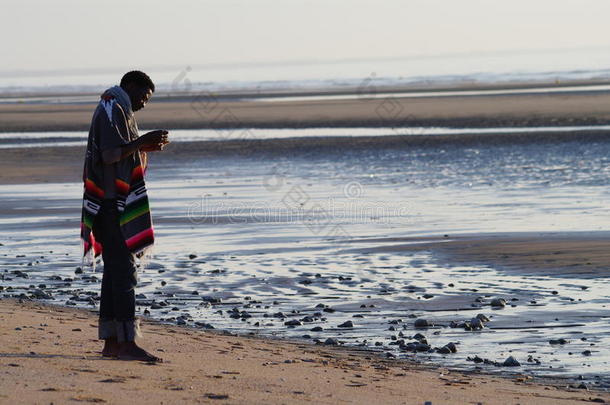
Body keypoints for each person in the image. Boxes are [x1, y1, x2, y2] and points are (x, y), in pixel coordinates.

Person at [80, 70, 169, 362]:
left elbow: (120, 152)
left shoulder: (118, 108)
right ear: (129, 86)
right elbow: (108, 155)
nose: (143, 104)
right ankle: (127, 344)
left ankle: (111, 342)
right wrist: (142, 142)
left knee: (115, 273)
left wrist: (143, 146)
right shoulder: (111, 106)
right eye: (143, 97)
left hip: (109, 204)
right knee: (125, 273)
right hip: (110, 205)